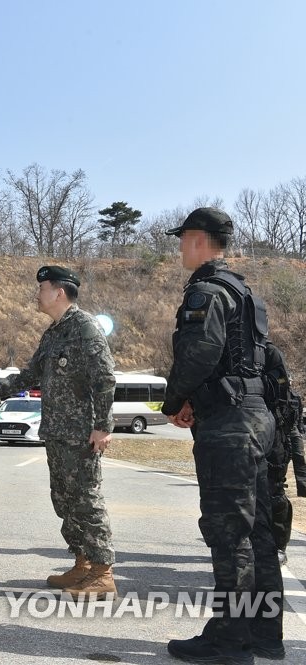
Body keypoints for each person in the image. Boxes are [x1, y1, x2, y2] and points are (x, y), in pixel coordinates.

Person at [160, 207, 283, 664]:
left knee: (230, 535)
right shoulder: (245, 293)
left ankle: (230, 643)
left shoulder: (207, 291)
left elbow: (200, 352)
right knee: (259, 532)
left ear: (197, 239)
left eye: (183, 239)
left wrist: (174, 401)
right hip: (255, 416)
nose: (179, 248)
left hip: (229, 425)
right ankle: (265, 636)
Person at [0, 265, 117, 600]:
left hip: (81, 434)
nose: (38, 294)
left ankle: (103, 573)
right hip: (58, 432)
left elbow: (105, 378)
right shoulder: (54, 332)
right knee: (64, 499)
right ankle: (82, 563)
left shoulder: (84, 327)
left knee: (87, 500)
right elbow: (30, 374)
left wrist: (102, 426)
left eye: (42, 287)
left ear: (59, 291)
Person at [261, 341, 300, 566]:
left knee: (274, 494)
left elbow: (281, 393)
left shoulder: (269, 352)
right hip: (245, 434)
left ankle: (279, 547)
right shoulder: (227, 351)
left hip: (274, 432)